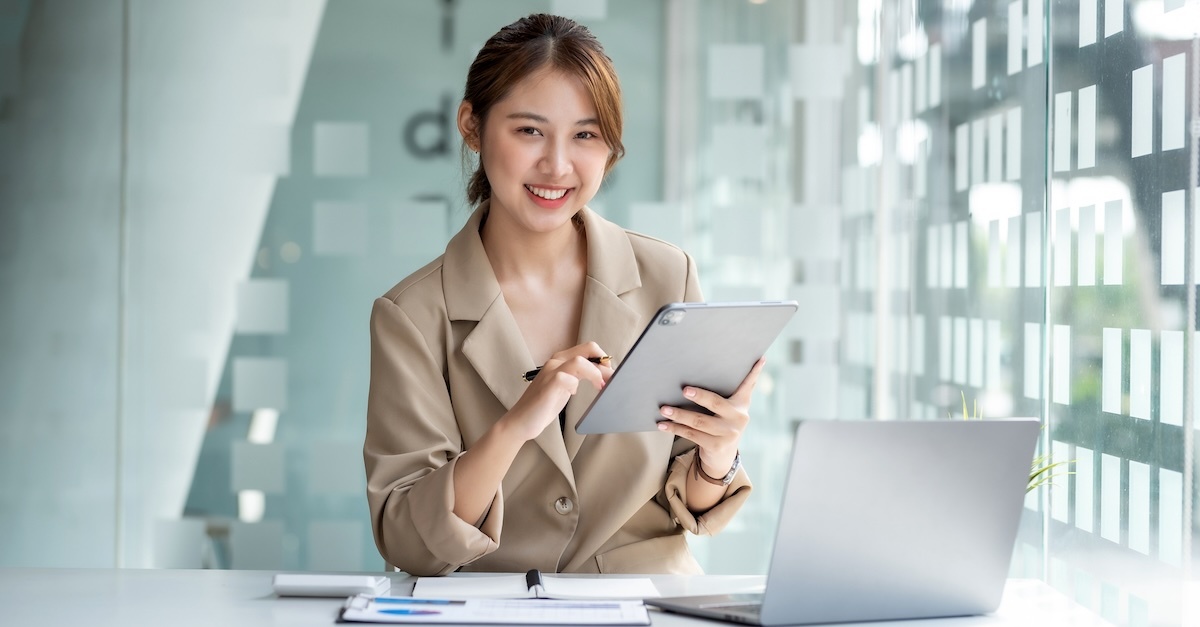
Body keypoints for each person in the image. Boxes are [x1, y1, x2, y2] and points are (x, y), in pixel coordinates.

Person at [365, 13, 761, 577]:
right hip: (493, 609)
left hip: (647, 602)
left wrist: (717, 456)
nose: (557, 165)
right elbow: (407, 541)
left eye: (585, 134)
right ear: (471, 127)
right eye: (529, 131)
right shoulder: (412, 315)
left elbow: (688, 505)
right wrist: (513, 427)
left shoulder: (667, 276)